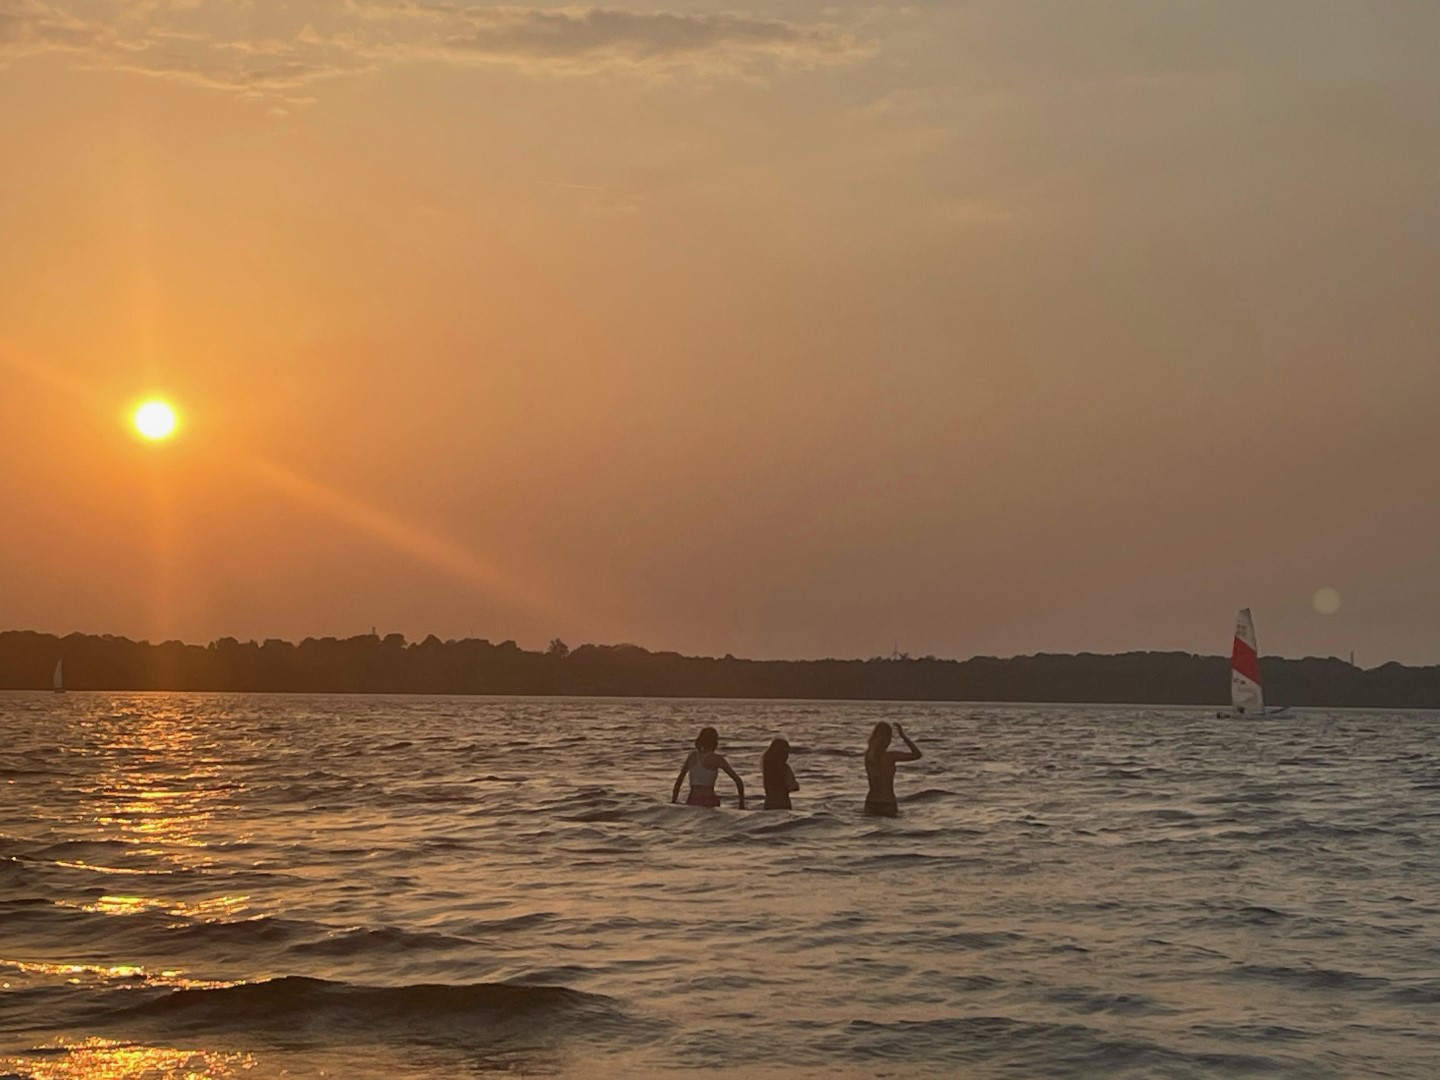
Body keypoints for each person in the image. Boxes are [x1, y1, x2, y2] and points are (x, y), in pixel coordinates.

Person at [672, 726, 745, 809]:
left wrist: (673, 801)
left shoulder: (692, 756)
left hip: (693, 800)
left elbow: (679, 781)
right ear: (715, 742)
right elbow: (738, 781)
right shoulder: (717, 759)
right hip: (709, 800)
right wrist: (741, 804)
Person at [863, 721, 921, 817]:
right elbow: (917, 754)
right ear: (887, 739)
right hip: (887, 801)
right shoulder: (890, 757)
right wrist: (903, 736)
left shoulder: (868, 757)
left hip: (871, 802)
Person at [761, 738, 799, 810]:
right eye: (786, 753)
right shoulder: (785, 768)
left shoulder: (768, 769)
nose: (787, 756)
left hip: (769, 802)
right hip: (783, 802)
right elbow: (793, 786)